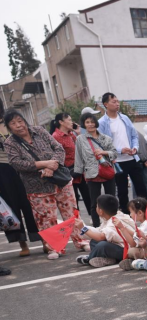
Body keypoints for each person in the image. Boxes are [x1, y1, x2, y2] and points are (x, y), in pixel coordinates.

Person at [3, 110, 88, 259]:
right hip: (37, 187)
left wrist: (51, 166)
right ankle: (55, 247)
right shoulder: (10, 142)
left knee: (71, 212)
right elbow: (16, 163)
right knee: (46, 219)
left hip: (60, 180)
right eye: (13, 123)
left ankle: (80, 241)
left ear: (25, 120)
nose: (18, 125)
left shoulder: (39, 131)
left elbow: (58, 148)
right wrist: (43, 164)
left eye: (20, 121)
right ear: (9, 127)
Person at [98, 92, 147, 212]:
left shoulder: (124, 118)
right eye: (113, 102)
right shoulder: (102, 122)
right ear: (106, 104)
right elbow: (102, 144)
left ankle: (145, 213)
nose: (117, 104)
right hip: (117, 161)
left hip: (132, 158)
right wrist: (120, 150)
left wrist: (135, 147)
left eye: (117, 101)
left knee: (141, 187)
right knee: (122, 191)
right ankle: (126, 215)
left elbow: (134, 136)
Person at [0, 123, 41, 257]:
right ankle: (22, 243)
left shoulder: (12, 123)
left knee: (32, 204)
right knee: (12, 207)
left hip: (24, 166)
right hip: (3, 170)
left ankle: (44, 240)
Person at [74, 113, 118, 227]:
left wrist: (103, 152)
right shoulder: (80, 139)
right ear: (84, 124)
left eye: (92, 122)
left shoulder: (106, 138)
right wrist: (77, 172)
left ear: (96, 123)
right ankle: (97, 227)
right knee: (94, 203)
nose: (90, 124)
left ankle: (113, 226)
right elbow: (78, 156)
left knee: (111, 200)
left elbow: (114, 153)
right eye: (87, 122)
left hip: (107, 171)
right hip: (91, 173)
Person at [73, 193, 137, 268]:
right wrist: (83, 226)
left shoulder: (113, 221)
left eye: (97, 206)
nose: (96, 208)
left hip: (127, 251)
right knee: (94, 241)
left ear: (100, 211)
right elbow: (98, 231)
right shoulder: (117, 216)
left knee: (102, 245)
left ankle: (90, 258)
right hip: (119, 246)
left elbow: (100, 237)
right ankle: (108, 258)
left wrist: (83, 228)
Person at [51, 112, 91, 216]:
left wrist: (78, 133)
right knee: (73, 199)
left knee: (88, 195)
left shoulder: (71, 134)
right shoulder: (56, 136)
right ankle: (76, 220)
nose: (71, 122)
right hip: (68, 173)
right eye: (69, 120)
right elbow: (56, 156)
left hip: (80, 170)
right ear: (61, 122)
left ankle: (93, 218)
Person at [116, 197, 147, 270]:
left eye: (131, 212)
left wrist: (122, 228)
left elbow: (133, 243)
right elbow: (135, 234)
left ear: (140, 213)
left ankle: (139, 262)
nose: (130, 215)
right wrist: (123, 227)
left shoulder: (145, 225)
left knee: (131, 251)